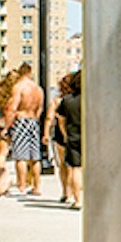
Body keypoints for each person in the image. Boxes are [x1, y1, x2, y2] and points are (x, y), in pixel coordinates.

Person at [7, 59, 48, 200]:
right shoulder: (38, 89)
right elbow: (40, 108)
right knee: (35, 157)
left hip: (21, 119)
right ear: (30, 73)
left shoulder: (19, 87)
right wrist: (35, 118)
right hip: (33, 121)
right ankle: (37, 186)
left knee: (21, 156)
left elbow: (13, 107)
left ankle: (22, 186)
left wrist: (7, 126)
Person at [52, 62, 84, 212]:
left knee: (75, 169)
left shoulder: (67, 100)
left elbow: (61, 120)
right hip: (89, 137)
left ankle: (77, 199)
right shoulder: (92, 100)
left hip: (72, 137)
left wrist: (65, 135)